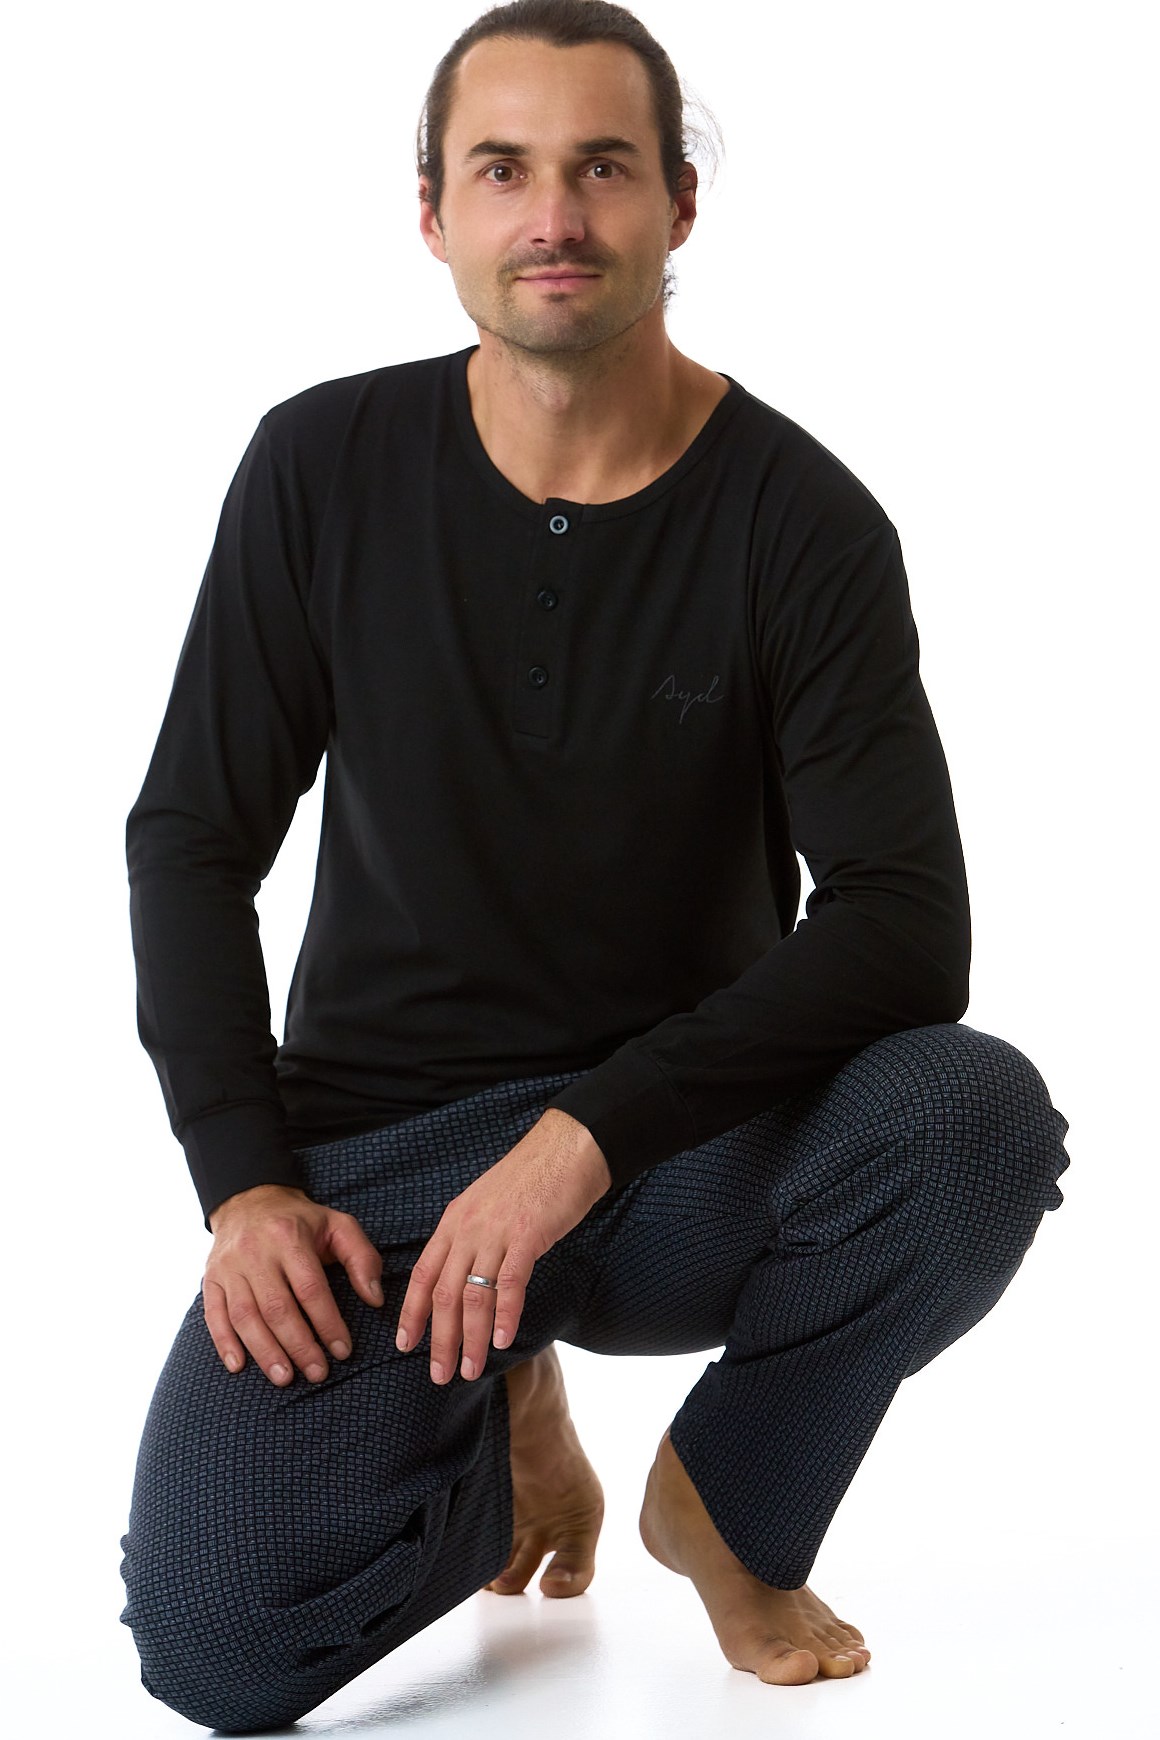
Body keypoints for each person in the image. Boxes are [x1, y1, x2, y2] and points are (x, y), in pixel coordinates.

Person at [119, 1, 1070, 1730]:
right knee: (219, 1654)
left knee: (970, 1118)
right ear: (433, 213)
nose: (553, 216)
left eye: (603, 168)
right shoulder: (318, 467)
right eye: (503, 171)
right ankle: (497, 1426)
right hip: (387, 1178)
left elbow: (905, 926)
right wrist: (244, 1185)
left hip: (682, 1152)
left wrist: (583, 1141)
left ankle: (732, 1505)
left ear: (680, 202)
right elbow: (190, 839)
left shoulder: (803, 522)